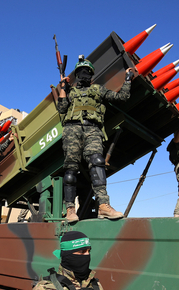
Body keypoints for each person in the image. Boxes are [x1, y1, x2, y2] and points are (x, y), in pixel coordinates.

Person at [57, 56, 134, 223]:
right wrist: (63, 87)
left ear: (91, 75)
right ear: (77, 75)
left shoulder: (98, 90)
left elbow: (122, 98)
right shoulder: (70, 92)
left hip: (93, 128)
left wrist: (127, 79)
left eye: (87, 72)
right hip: (72, 129)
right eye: (81, 72)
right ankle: (70, 209)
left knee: (97, 162)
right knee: (71, 169)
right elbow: (62, 108)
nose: (84, 75)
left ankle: (104, 206)